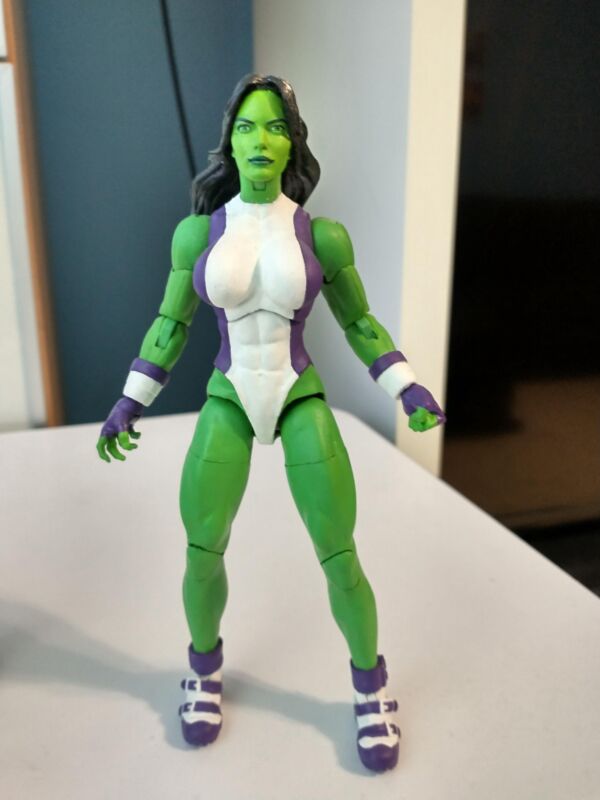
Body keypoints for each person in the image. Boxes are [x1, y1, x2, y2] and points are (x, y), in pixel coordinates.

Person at [97, 73, 445, 773]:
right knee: (202, 549)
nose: (261, 138)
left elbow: (359, 322)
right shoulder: (197, 233)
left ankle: (370, 686)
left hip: (297, 396)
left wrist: (405, 385)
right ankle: (203, 669)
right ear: (229, 139)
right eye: (248, 126)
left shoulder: (324, 235)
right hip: (228, 394)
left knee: (339, 553)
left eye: (276, 127)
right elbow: (171, 323)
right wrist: (131, 398)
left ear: (293, 144)